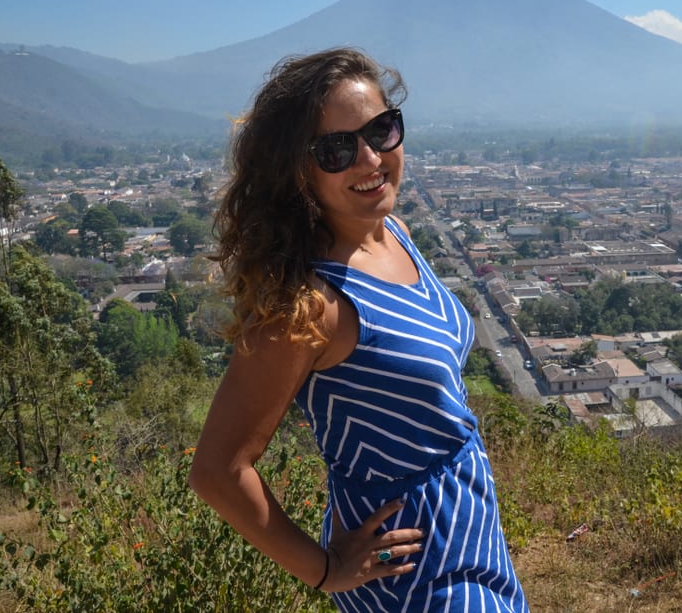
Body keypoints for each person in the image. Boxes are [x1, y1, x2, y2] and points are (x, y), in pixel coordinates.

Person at [189, 47, 530, 612]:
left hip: (471, 533)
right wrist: (323, 571)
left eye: (381, 130)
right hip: (415, 575)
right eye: (336, 149)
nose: (370, 159)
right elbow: (218, 471)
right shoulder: (309, 306)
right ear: (296, 171)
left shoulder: (392, 230)